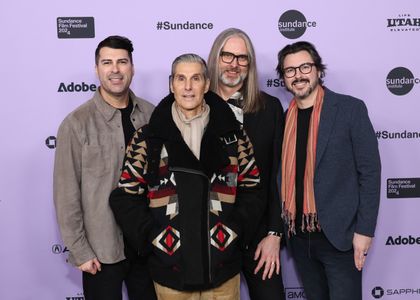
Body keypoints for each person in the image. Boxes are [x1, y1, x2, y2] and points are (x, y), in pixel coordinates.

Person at [109, 53, 263, 299]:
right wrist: (153, 238)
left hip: (223, 272)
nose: (188, 87)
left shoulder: (234, 136)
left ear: (207, 84)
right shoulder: (148, 139)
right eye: (181, 79)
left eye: (195, 78)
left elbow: (253, 188)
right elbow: (126, 197)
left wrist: (234, 231)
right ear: (172, 84)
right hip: (170, 275)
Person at [53, 35, 156, 300]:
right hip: (101, 251)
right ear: (96, 69)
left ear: (132, 67)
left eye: (122, 61)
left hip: (146, 246)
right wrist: (80, 251)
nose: (115, 69)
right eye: (107, 62)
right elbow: (66, 195)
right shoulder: (76, 123)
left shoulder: (152, 115)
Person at [276, 41, 381, 300]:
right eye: (290, 71)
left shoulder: (349, 109)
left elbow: (370, 172)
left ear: (318, 70)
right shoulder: (283, 118)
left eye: (304, 67)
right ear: (284, 78)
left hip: (340, 238)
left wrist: (365, 231)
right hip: (299, 238)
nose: (298, 75)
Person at [207, 28, 285, 300]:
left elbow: (279, 176)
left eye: (242, 58)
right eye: (227, 56)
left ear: (250, 65)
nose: (234, 64)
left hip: (260, 237)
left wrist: (275, 233)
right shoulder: (193, 106)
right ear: (215, 58)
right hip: (210, 237)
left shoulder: (270, 108)